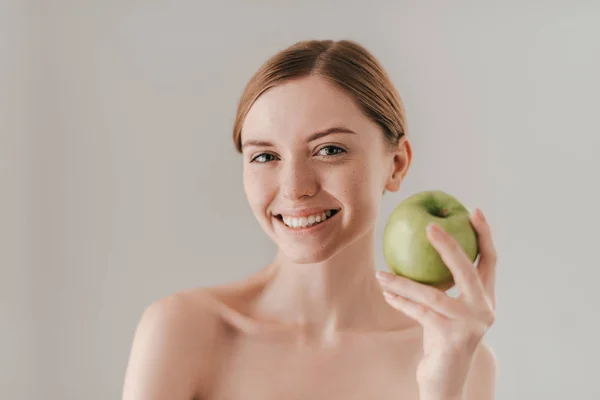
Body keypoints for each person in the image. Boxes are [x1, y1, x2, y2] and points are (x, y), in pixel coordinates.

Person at [122, 39, 498, 400]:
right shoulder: (182, 331)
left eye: (329, 150)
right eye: (265, 156)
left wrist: (443, 391)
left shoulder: (458, 358)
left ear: (396, 164)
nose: (294, 188)